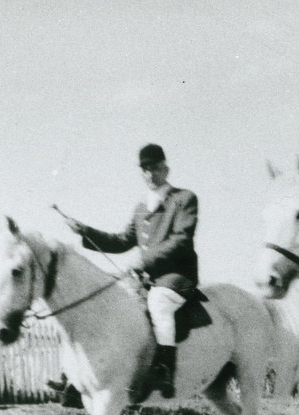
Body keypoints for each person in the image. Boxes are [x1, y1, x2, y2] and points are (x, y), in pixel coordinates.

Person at [64, 143, 198, 399]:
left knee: (158, 302)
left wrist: (143, 262)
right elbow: (122, 240)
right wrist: (86, 231)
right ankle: (78, 378)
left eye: (155, 168)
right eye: (145, 170)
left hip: (177, 277)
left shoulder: (184, 199)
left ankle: (164, 369)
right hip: (147, 277)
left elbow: (181, 240)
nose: (150, 175)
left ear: (166, 169)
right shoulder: (141, 207)